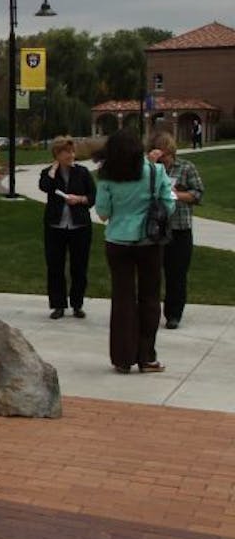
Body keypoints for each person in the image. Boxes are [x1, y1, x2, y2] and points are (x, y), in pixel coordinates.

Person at [94, 128, 175, 374]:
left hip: (118, 241)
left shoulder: (106, 176)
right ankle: (147, 356)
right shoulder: (155, 171)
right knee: (150, 297)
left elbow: (103, 212)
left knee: (122, 298)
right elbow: (169, 203)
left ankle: (122, 357)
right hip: (148, 242)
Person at [37, 137, 95, 319]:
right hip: (55, 226)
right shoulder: (49, 173)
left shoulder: (83, 172)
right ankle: (58, 304)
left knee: (79, 266)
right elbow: (44, 186)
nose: (71, 155)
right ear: (57, 154)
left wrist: (79, 199)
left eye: (72, 151)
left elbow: (93, 196)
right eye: (66, 152)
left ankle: (77, 304)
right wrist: (53, 170)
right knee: (55, 266)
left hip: (79, 225)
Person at [150, 131, 204, 329]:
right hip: (156, 228)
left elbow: (198, 194)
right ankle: (151, 312)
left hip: (180, 228)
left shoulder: (186, 167)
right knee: (153, 274)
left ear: (171, 153)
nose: (162, 160)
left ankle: (174, 314)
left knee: (177, 274)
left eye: (164, 156)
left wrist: (177, 194)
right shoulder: (150, 169)